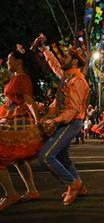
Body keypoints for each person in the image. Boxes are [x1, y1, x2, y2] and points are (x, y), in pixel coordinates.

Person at [33, 33, 90, 206]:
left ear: (73, 62)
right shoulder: (67, 75)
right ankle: (79, 185)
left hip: (71, 122)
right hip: (65, 121)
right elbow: (55, 65)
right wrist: (43, 48)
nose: (62, 59)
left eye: (65, 57)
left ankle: (71, 184)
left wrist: (55, 120)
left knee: (46, 156)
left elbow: (73, 110)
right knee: (63, 158)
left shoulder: (78, 81)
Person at [0, 45, 43, 210]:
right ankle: (32, 190)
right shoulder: (16, 77)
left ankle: (11, 194)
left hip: (18, 120)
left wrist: (37, 121)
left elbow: (28, 100)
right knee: (19, 159)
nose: (7, 63)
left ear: (18, 62)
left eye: (10, 60)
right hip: (13, 117)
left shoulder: (22, 78)